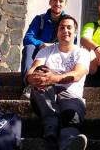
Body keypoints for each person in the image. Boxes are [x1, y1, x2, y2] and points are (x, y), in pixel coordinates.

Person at [26, 15, 89, 150]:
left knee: (71, 117)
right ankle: (51, 125)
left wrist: (52, 78)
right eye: (62, 27)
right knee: (40, 74)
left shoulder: (82, 53)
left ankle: (68, 144)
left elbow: (77, 75)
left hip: (71, 95)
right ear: (57, 31)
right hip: (46, 95)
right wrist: (35, 78)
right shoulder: (46, 51)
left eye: (69, 27)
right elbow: (30, 73)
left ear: (75, 32)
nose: (65, 30)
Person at [22, 0, 71, 87]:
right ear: (50, 2)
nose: (57, 3)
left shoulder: (69, 21)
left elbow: (72, 41)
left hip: (57, 53)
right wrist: (40, 44)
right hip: (39, 52)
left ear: (65, 4)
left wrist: (52, 45)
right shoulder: (39, 19)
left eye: (61, 1)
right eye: (54, 0)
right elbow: (27, 38)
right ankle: (28, 84)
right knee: (29, 48)